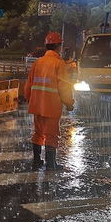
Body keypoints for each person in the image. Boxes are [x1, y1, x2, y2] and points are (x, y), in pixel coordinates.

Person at [24, 32, 74, 171]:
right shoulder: (59, 64)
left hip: (36, 105)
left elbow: (28, 84)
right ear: (58, 46)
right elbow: (64, 87)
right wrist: (69, 102)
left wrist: (29, 98)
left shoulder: (38, 62)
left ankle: (36, 160)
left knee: (38, 133)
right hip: (51, 106)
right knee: (51, 135)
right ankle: (51, 164)